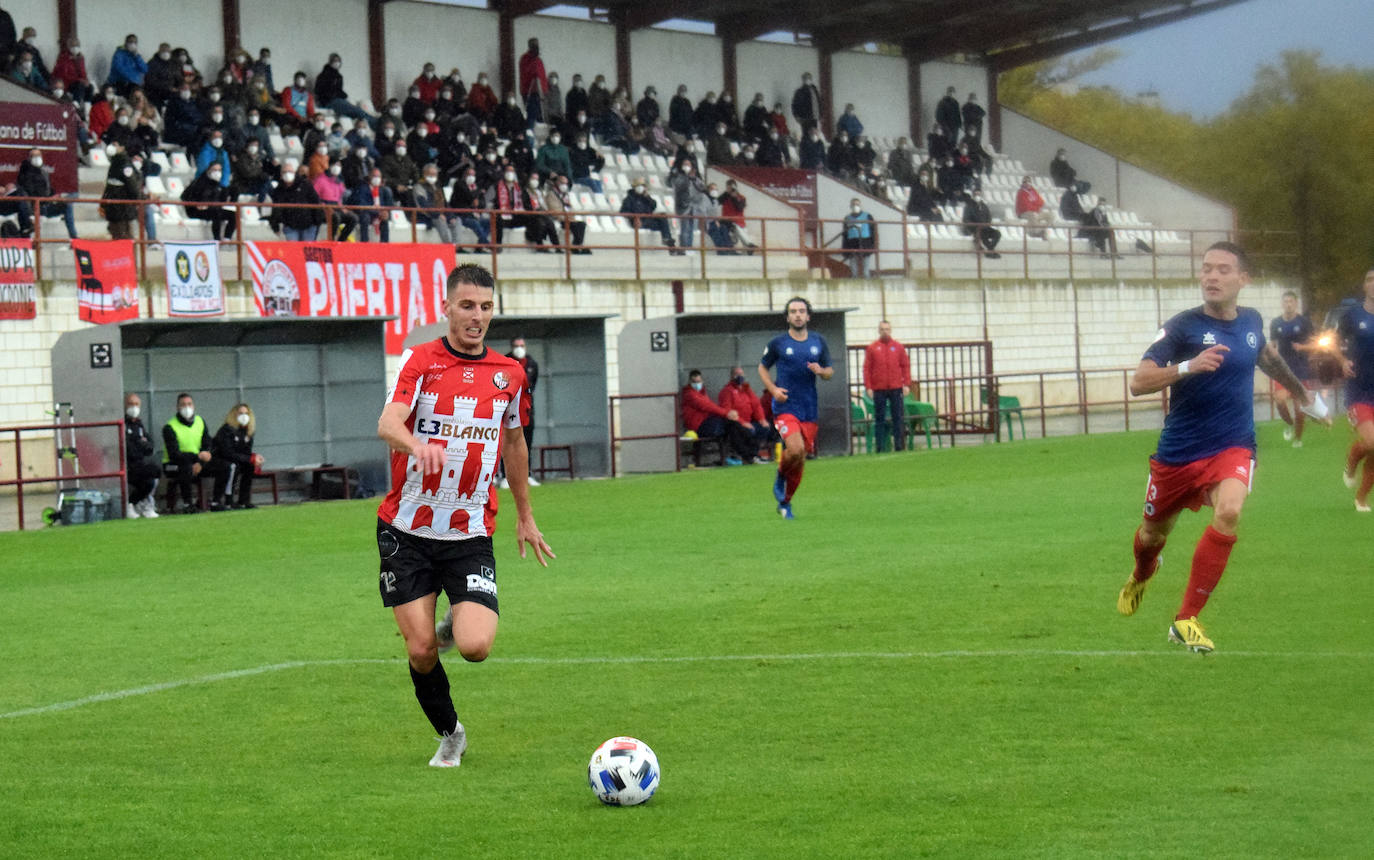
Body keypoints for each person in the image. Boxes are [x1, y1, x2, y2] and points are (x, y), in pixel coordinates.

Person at [377, 263, 554, 768]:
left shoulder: (510, 375)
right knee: (420, 652)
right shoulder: (420, 361)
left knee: (475, 647)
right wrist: (415, 444)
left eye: (486, 307)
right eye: (467, 305)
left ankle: (457, 617)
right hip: (406, 530)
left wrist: (525, 514)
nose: (477, 317)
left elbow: (515, 442)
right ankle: (451, 734)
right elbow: (388, 422)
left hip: (469, 530)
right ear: (447, 307)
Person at [1116, 242, 1324, 653]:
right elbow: (1139, 382)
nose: (1211, 276)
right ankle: (1143, 572)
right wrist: (1189, 366)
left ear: (1243, 279)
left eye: (1223, 270)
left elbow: (1266, 356)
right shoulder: (1181, 327)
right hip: (1178, 453)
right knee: (1152, 534)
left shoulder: (1251, 320)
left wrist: (1304, 397)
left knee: (1230, 510)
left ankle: (1186, 619)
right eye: (1207, 268)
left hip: (1233, 445)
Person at [759, 297, 833, 519]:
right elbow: (762, 368)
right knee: (796, 448)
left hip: (809, 408)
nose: (798, 315)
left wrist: (821, 371)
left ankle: (785, 501)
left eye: (802, 311)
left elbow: (829, 372)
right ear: (787, 317)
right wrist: (773, 391)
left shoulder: (818, 341)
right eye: (793, 311)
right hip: (785, 406)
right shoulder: (778, 343)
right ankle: (781, 474)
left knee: (799, 457)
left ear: (808, 316)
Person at [1339, 268, 1374, 512]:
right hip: (1358, 390)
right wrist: (1342, 361)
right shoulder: (1352, 315)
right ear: (1364, 285)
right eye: (1370, 279)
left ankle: (1361, 498)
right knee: (1372, 442)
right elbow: (1333, 343)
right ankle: (1352, 461)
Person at [1269, 290, 1315, 447]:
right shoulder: (1276, 323)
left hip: (1301, 369)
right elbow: (1273, 344)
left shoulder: (1304, 322)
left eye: (1291, 301)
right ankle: (1288, 423)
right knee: (1280, 400)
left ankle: (1298, 438)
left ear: (1296, 303)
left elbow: (1315, 344)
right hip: (1283, 369)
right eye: (1285, 301)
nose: (1288, 304)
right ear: (1282, 304)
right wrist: (1271, 353)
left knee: (1300, 409)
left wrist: (1303, 347)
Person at [681, 370, 752, 466]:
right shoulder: (690, 394)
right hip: (698, 426)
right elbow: (706, 406)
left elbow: (710, 406)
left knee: (733, 426)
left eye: (699, 381)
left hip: (707, 422)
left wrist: (730, 416)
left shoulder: (702, 393)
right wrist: (726, 413)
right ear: (689, 382)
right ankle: (746, 455)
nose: (697, 384)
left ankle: (747, 454)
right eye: (694, 382)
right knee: (731, 425)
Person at [162, 392, 214, 514]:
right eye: (183, 404)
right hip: (171, 465)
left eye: (189, 404)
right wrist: (196, 458)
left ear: (194, 406)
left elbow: (207, 443)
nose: (187, 407)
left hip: (196, 462)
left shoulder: (200, 421)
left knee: (222, 465)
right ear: (177, 407)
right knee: (185, 468)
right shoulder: (170, 427)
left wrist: (200, 462)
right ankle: (187, 504)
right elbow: (174, 454)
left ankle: (218, 501)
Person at [863, 321, 911, 452]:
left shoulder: (898, 347)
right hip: (879, 388)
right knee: (879, 418)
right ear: (879, 331)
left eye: (887, 329)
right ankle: (879, 447)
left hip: (895, 387)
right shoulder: (872, 348)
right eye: (883, 329)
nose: (885, 332)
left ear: (891, 330)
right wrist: (869, 387)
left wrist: (906, 384)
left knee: (898, 417)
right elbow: (867, 368)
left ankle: (899, 446)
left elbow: (905, 366)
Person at [207, 403, 263, 510]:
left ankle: (243, 500)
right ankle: (228, 500)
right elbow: (227, 453)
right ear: (234, 415)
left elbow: (245, 453)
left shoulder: (248, 432)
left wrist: (254, 458)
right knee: (232, 466)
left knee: (250, 466)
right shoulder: (226, 430)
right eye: (240, 413)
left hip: (234, 460)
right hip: (218, 460)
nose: (244, 416)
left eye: (246, 413)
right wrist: (249, 458)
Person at [12, 149, 77, 239]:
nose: (37, 158)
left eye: (39, 155)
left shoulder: (44, 173)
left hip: (47, 205)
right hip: (34, 207)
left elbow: (48, 191)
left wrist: (54, 196)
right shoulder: (24, 174)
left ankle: (74, 237)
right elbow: (29, 193)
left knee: (67, 204)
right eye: (34, 156)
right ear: (29, 159)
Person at [718, 366, 771, 461]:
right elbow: (727, 411)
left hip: (749, 422)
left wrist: (762, 419)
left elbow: (756, 405)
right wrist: (742, 422)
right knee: (745, 431)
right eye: (737, 374)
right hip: (737, 423)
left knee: (765, 428)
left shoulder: (747, 389)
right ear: (731, 376)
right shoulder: (727, 391)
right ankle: (750, 455)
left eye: (741, 374)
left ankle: (756, 453)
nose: (739, 376)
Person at [123, 392, 160, 519]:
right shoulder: (123, 424)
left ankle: (140, 504)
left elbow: (150, 447)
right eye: (131, 404)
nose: (134, 407)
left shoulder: (139, 425)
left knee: (153, 475)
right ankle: (131, 504)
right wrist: (140, 444)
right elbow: (129, 449)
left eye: (136, 404)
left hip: (139, 464)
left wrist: (141, 445)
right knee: (150, 474)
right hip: (127, 465)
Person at [269, 162, 325, 241]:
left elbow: (316, 202)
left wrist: (317, 222)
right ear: (281, 174)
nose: (287, 174)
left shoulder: (305, 184)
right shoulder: (279, 190)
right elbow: (276, 209)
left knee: (306, 251)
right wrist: (275, 226)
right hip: (291, 226)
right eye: (284, 172)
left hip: (309, 225)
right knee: (294, 251)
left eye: (290, 172)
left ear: (294, 173)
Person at [181, 162, 236, 240]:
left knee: (233, 215)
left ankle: (227, 238)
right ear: (209, 171)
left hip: (212, 209)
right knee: (216, 214)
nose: (217, 173)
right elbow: (185, 196)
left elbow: (220, 200)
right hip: (197, 211)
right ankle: (216, 240)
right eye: (214, 170)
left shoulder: (219, 185)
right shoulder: (199, 182)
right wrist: (196, 204)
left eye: (219, 170)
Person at [620, 179, 675, 250]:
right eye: (638, 186)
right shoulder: (629, 199)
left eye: (642, 186)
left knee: (663, 218)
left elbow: (653, 206)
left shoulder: (645, 198)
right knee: (663, 224)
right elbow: (624, 211)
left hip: (647, 220)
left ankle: (667, 240)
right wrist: (634, 218)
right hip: (638, 222)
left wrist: (647, 197)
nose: (640, 188)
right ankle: (668, 240)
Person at [841, 198, 876, 278]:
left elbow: (872, 230)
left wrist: (873, 243)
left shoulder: (867, 216)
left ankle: (866, 277)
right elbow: (845, 233)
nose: (855, 206)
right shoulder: (847, 218)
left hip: (865, 240)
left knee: (866, 261)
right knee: (853, 260)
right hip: (852, 241)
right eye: (853, 204)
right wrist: (844, 246)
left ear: (860, 206)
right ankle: (854, 277)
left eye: (857, 204)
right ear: (850, 206)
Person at [962, 189, 1001, 259]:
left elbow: (989, 217)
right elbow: (966, 219)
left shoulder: (984, 206)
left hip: (985, 227)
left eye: (979, 194)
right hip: (975, 228)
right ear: (973, 195)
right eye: (976, 194)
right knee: (983, 235)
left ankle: (990, 250)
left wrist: (987, 224)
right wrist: (975, 225)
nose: (977, 196)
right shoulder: (969, 206)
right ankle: (991, 251)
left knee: (997, 234)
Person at [517, 38, 547, 126]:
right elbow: (526, 73)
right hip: (529, 91)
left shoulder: (539, 60)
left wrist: (544, 91)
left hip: (539, 92)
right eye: (534, 45)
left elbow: (542, 76)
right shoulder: (525, 59)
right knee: (532, 115)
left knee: (540, 115)